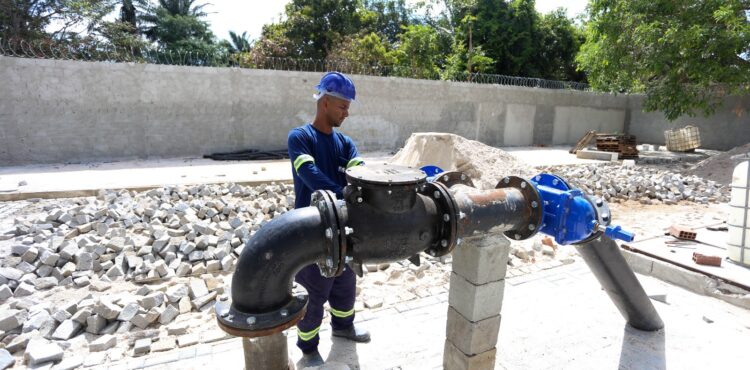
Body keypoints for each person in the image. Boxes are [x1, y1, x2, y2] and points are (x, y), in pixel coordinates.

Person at [287, 71, 370, 368]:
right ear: (324, 102)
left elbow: (359, 173)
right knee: (314, 290)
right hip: (313, 230)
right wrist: (341, 195)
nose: (347, 113)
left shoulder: (345, 144)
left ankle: (343, 327)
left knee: (345, 284)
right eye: (342, 107)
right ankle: (308, 348)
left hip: (343, 228)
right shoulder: (301, 138)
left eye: (348, 107)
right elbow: (308, 174)